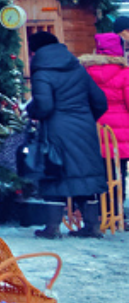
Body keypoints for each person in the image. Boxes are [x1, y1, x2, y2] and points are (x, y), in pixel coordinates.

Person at [28, 29, 109, 238]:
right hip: (84, 127)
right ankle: (92, 227)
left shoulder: (42, 72)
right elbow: (100, 101)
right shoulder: (77, 68)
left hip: (56, 130)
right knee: (85, 175)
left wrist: (31, 111)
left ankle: (52, 228)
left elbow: (44, 106)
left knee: (54, 174)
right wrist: (86, 118)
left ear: (36, 51)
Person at [78, 32, 129, 210]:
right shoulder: (125, 73)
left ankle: (99, 210)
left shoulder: (85, 72)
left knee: (97, 171)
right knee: (118, 171)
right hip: (120, 133)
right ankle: (116, 212)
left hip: (92, 129)